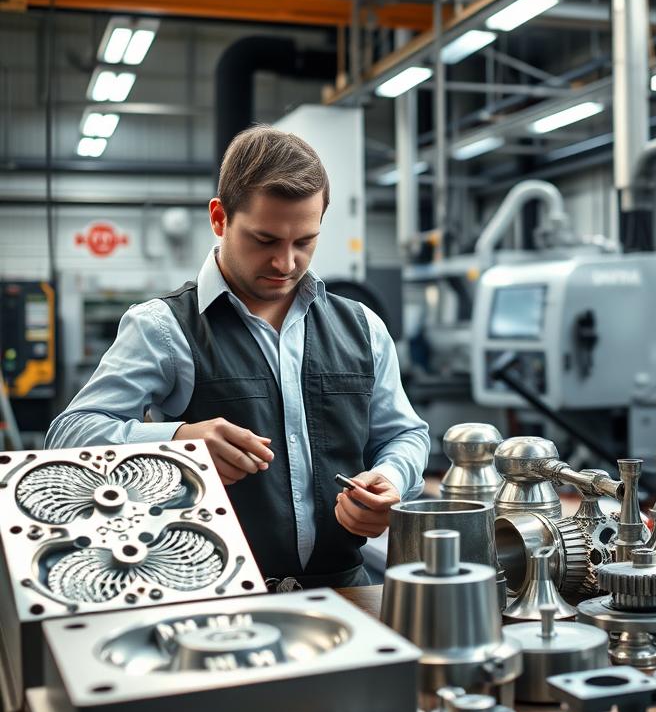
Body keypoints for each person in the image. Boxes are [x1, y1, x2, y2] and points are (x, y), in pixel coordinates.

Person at [47, 125, 429, 589]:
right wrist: (179, 443)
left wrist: (389, 480)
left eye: (304, 241)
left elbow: (405, 433)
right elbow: (69, 435)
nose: (286, 263)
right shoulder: (163, 327)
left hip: (347, 590)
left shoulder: (362, 327)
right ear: (219, 218)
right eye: (265, 240)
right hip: (214, 595)